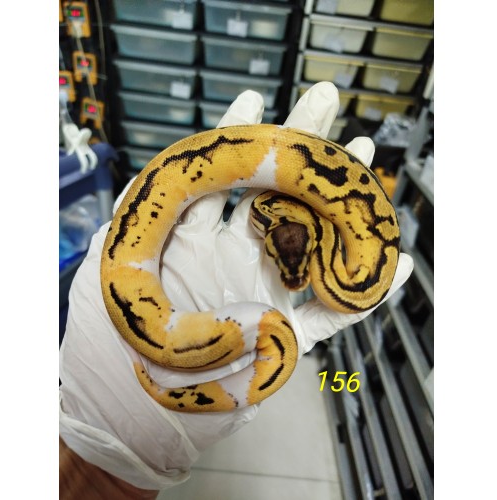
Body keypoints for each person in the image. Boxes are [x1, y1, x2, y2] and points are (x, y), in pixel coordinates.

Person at [59, 81, 413, 498]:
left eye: (302, 266)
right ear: (268, 234)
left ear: (318, 238)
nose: (296, 281)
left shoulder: (327, 259)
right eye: (282, 261)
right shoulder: (283, 222)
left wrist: (101, 466)